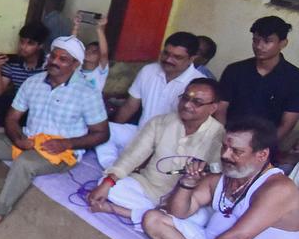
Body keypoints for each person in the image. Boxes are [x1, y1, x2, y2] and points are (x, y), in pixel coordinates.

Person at [0, 36, 109, 239]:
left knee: (24, 163)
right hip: (29, 138)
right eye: (53, 56)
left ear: (75, 65)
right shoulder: (34, 82)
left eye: (63, 59)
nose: (54, 61)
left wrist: (67, 143)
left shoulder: (87, 93)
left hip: (63, 151)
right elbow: (12, 118)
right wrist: (17, 138)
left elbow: (102, 133)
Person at [140, 117, 299, 239]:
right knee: (152, 219)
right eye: (225, 147)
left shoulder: (279, 189)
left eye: (236, 151)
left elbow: (239, 238)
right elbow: (178, 213)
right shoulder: (222, 178)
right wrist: (187, 183)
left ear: (262, 155)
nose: (225, 155)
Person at [87, 79, 224, 225]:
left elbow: (216, 177)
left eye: (197, 102)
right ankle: (157, 216)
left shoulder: (219, 136)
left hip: (184, 199)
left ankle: (123, 210)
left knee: (202, 219)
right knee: (110, 186)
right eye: (185, 98)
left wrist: (199, 176)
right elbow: (133, 155)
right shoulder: (160, 122)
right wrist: (108, 182)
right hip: (147, 186)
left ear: (213, 108)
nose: (187, 105)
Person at [94, 31, 202, 168]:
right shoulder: (149, 70)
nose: (168, 60)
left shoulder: (199, 85)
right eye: (166, 53)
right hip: (140, 132)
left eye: (177, 57)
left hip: (167, 146)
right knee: (101, 129)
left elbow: (193, 129)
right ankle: (110, 165)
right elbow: (130, 106)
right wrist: (109, 133)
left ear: (192, 59)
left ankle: (121, 168)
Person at [216, 16, 299, 145]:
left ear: (283, 43)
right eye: (255, 40)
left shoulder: (294, 78)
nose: (259, 46)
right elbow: (220, 109)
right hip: (227, 140)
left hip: (264, 147)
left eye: (267, 41)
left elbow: (287, 124)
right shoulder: (235, 70)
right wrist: (226, 140)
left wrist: (260, 149)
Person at [74, 14, 110, 93]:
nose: (89, 52)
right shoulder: (76, 67)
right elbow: (71, 46)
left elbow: (104, 53)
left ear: (100, 57)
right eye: (87, 49)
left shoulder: (99, 72)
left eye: (94, 51)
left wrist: (99, 29)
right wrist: (76, 26)